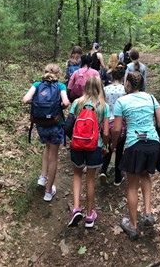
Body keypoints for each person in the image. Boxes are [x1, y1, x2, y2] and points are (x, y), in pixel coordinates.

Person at [111, 71, 160, 240]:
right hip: (153, 144)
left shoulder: (121, 101)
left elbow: (116, 129)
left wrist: (113, 145)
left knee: (132, 186)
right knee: (145, 175)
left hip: (134, 146)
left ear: (127, 83)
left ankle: (133, 226)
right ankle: (148, 213)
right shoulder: (151, 98)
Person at [66, 76, 110, 228]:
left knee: (77, 175)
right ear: (99, 87)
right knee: (90, 179)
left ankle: (76, 209)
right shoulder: (104, 106)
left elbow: (68, 125)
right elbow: (105, 133)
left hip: (77, 144)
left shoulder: (77, 102)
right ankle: (90, 216)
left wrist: (73, 139)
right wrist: (105, 145)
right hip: (94, 145)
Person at [22, 64, 70, 201]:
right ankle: (48, 192)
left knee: (47, 147)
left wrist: (37, 102)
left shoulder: (37, 84)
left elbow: (25, 100)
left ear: (44, 72)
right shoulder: (60, 86)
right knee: (54, 156)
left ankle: (43, 177)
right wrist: (58, 105)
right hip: (55, 124)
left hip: (41, 124)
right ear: (58, 74)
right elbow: (66, 103)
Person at [99, 63, 126, 186]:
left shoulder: (105, 89)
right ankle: (117, 177)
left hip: (106, 121)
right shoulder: (125, 90)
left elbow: (101, 105)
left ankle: (103, 170)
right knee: (119, 150)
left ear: (111, 77)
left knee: (107, 147)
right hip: (120, 123)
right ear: (122, 77)